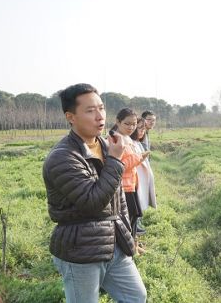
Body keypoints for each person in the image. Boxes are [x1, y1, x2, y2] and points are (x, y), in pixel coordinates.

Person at [43, 84, 146, 303]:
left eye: (101, 108)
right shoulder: (63, 157)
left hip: (115, 244)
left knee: (136, 296)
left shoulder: (106, 145)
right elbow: (93, 202)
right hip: (82, 250)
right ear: (71, 116)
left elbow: (119, 200)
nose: (100, 116)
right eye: (90, 111)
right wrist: (116, 162)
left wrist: (128, 237)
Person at [111, 108, 150, 253]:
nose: (131, 127)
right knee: (127, 219)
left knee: (133, 217)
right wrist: (139, 157)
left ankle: (134, 246)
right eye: (127, 124)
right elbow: (120, 165)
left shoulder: (127, 139)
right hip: (122, 186)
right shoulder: (116, 140)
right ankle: (129, 248)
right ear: (118, 122)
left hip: (131, 184)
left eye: (133, 124)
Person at [130, 117, 157, 214]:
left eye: (144, 128)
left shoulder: (138, 143)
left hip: (139, 181)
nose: (142, 131)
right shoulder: (130, 143)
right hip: (133, 183)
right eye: (140, 127)